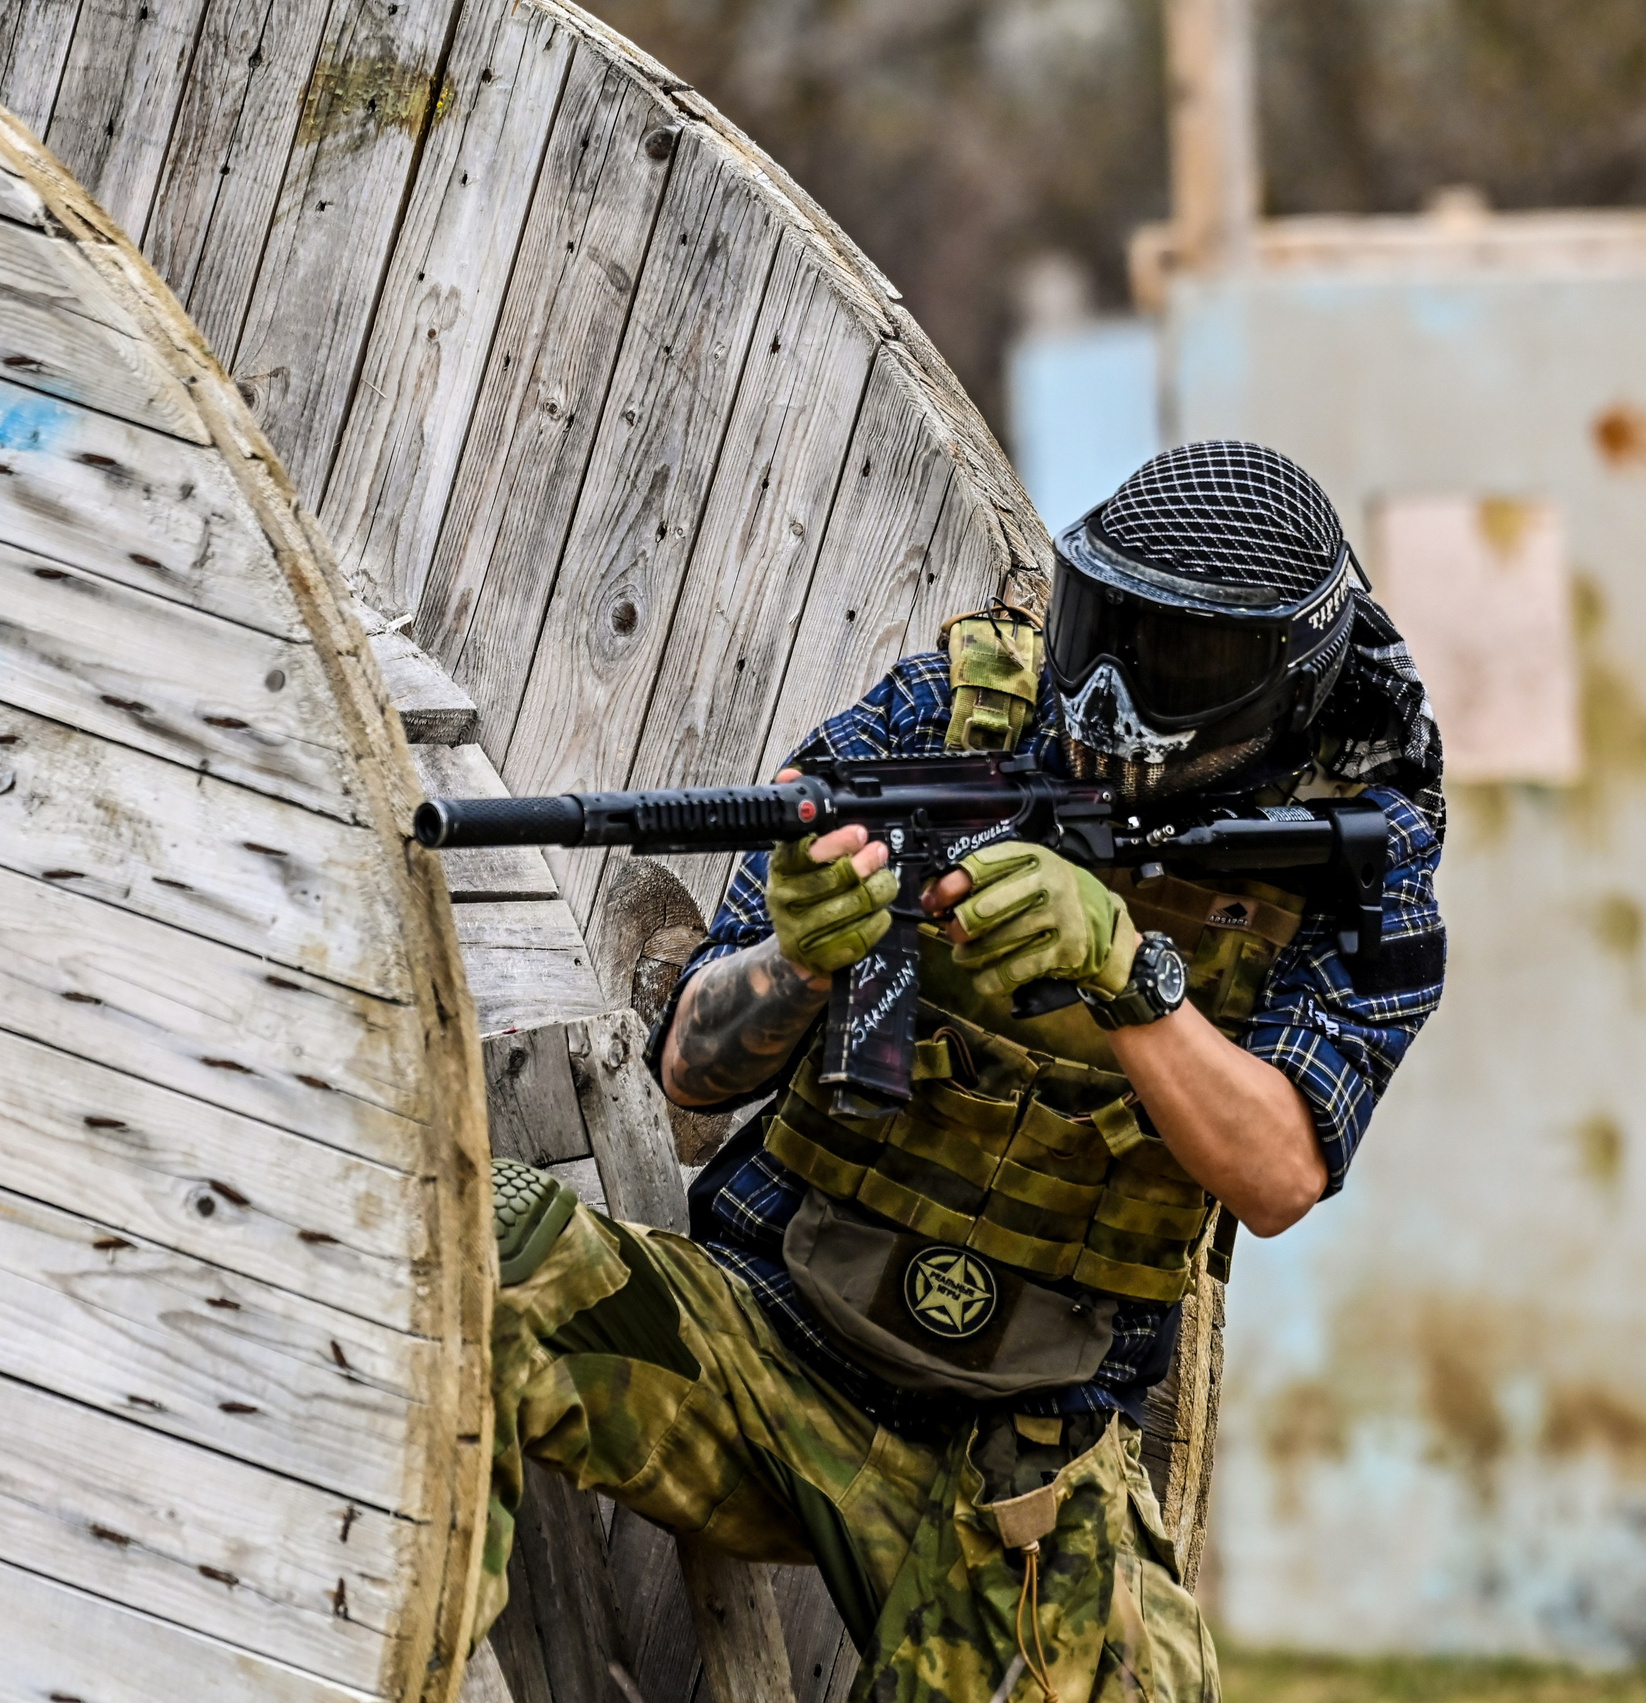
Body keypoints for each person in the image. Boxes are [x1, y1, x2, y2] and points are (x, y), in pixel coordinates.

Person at [478, 442, 1446, 1701]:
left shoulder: (1363, 860)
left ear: (1283, 682)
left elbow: (1276, 1172)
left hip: (1020, 1472)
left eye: (1173, 655)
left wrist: (1128, 973)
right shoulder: (947, 714)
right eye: (1103, 623)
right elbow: (693, 1071)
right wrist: (799, 960)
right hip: (762, 1353)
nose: (1105, 693)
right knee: (462, 1242)